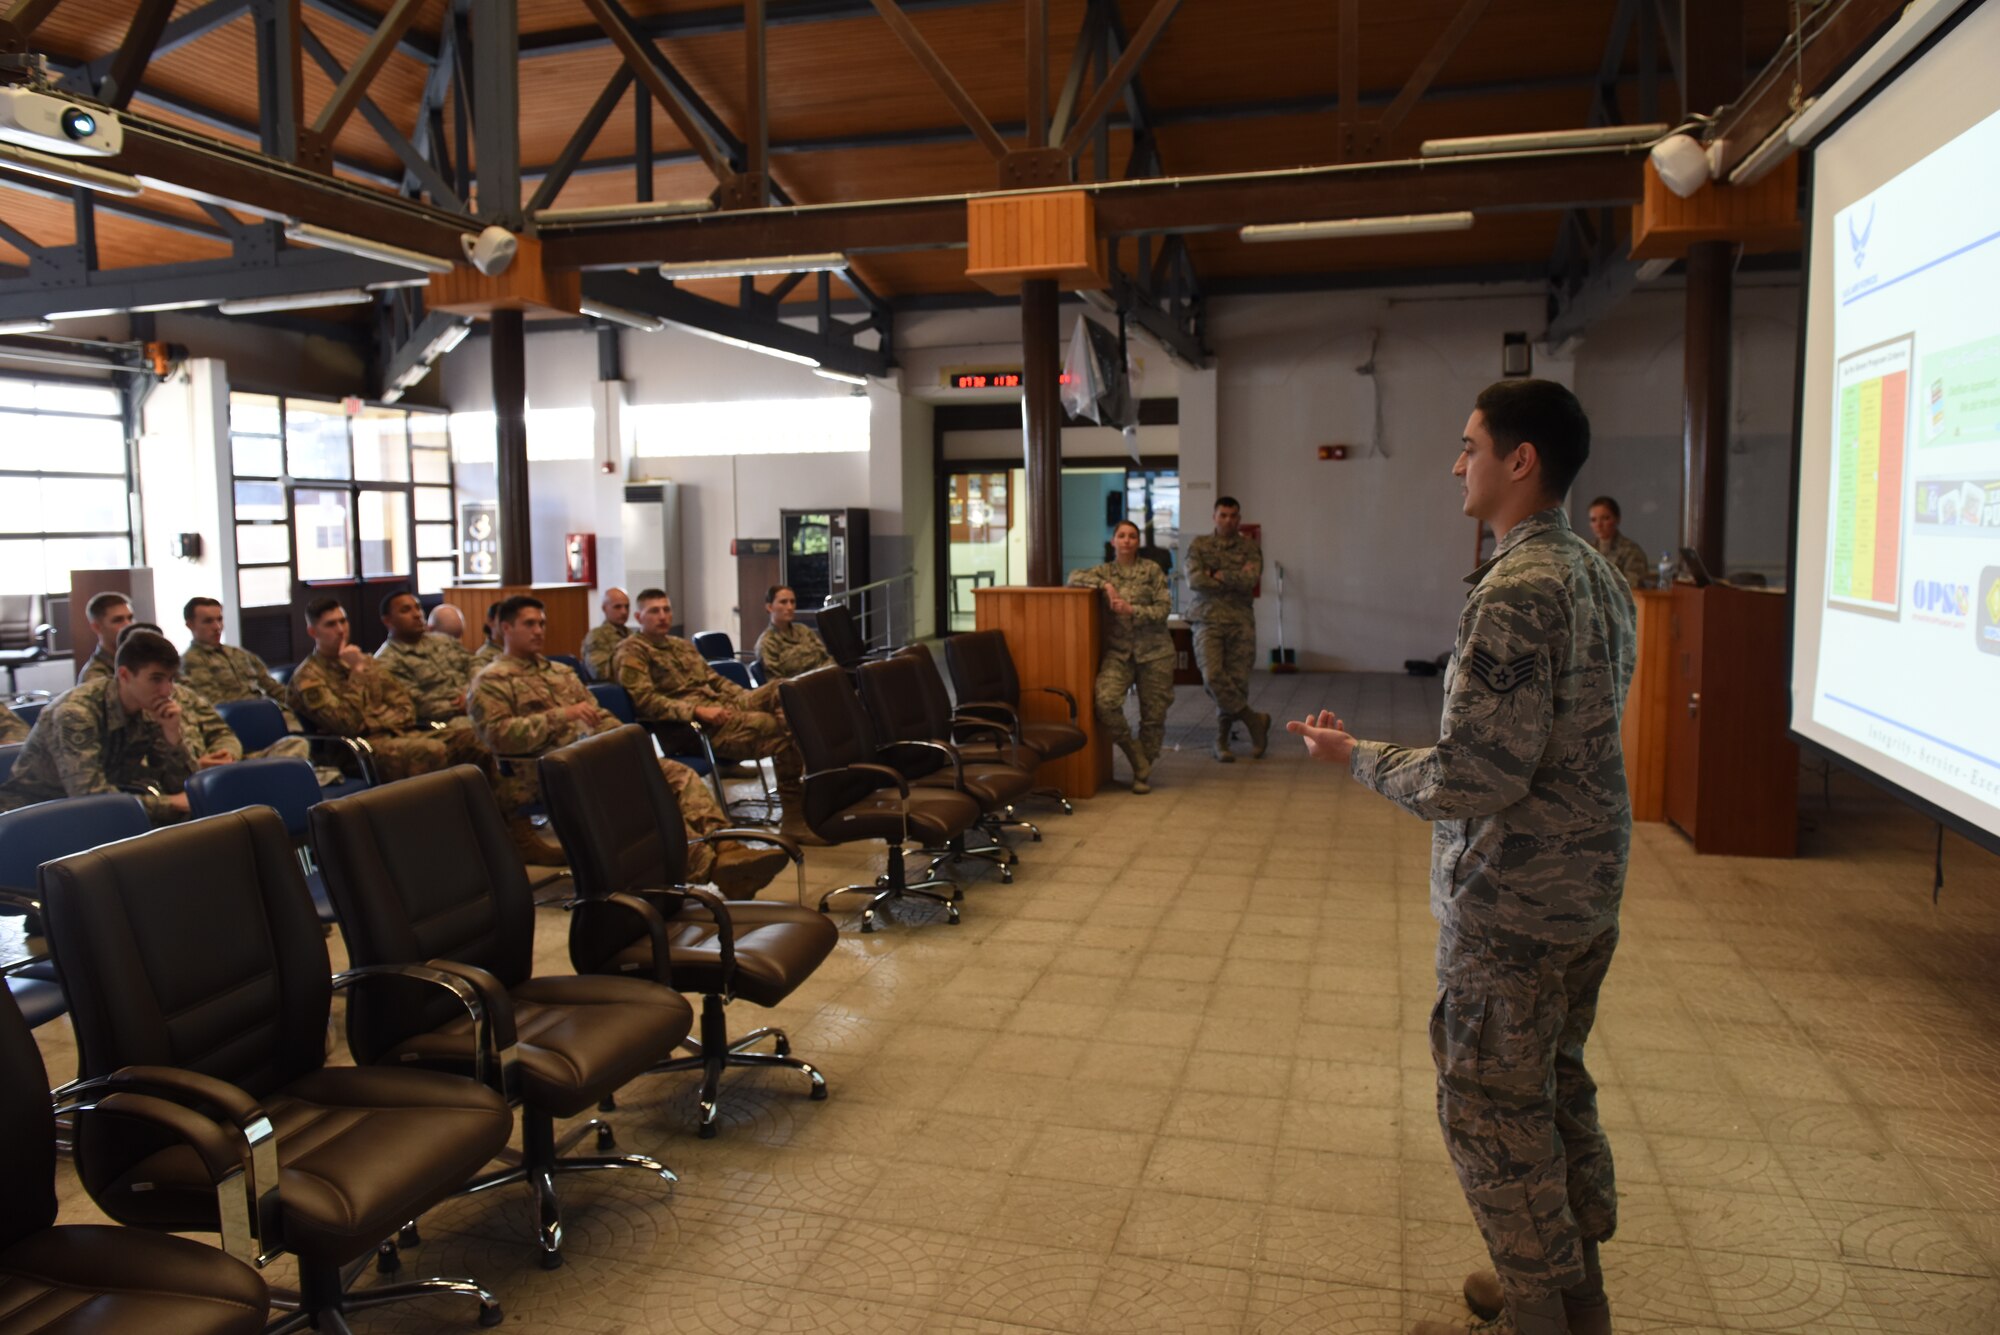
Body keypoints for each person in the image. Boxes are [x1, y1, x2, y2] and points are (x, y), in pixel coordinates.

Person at [1290, 380, 1635, 1335]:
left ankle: (1543, 1310)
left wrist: (1357, 757)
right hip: (1583, 891)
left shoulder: (1521, 588)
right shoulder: (1597, 572)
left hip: (1515, 907)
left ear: (1519, 461)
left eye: (1469, 444)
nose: (1456, 462)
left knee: (1491, 1112)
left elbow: (1475, 774)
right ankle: (1569, 1290)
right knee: (1552, 1089)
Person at [469, 595, 790, 897]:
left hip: (596, 761)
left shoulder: (561, 673)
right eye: (529, 624)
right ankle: (708, 866)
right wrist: (559, 716)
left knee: (676, 775)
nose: (538, 630)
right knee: (637, 797)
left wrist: (623, 747)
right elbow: (497, 737)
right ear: (506, 628)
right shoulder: (492, 680)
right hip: (545, 773)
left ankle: (728, 848)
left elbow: (600, 716)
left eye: (541, 623)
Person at [610, 588, 809, 839]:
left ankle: (812, 772)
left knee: (784, 689)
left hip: (721, 710)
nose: (663, 616)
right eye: (654, 611)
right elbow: (645, 702)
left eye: (667, 609)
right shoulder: (631, 651)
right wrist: (696, 710)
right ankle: (795, 816)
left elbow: (715, 680)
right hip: (689, 729)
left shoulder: (681, 645)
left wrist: (744, 698)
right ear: (638, 618)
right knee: (775, 728)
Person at [288, 595, 498, 786]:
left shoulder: (368, 662)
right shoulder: (308, 677)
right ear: (313, 632)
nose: (340, 630)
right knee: (430, 752)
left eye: (343, 621)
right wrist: (357, 673)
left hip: (399, 734)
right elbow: (348, 725)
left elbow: (405, 707)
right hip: (355, 752)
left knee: (476, 739)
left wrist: (369, 720)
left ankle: (495, 821)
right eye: (330, 624)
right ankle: (436, 825)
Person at [0, 629, 197, 824]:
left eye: (171, 679)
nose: (167, 691)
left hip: (95, 812)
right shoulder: (76, 713)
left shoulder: (149, 709)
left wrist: (172, 736)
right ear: (125, 675)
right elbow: (90, 797)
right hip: (34, 816)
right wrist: (169, 804)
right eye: (156, 679)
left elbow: (183, 787)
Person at [1068, 521, 1173, 793]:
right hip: (1120, 653)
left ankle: (1142, 774)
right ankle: (1135, 756)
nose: (1127, 541)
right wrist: (1105, 585)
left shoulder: (1152, 570)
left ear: (1138, 542)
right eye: (1121, 536)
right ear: (1113, 542)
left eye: (1132, 536)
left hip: (1155, 653)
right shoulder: (1105, 571)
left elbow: (1163, 610)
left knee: (1153, 717)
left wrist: (1131, 609)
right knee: (1105, 701)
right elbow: (1073, 577)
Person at [127, 621, 309, 766]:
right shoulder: (126, 709)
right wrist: (196, 765)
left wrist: (226, 754)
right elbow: (149, 771)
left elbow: (222, 732)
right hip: (187, 780)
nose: (166, 690)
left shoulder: (186, 696)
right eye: (156, 678)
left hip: (221, 765)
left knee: (295, 746)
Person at [1186, 496, 1271, 762]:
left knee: (1236, 681)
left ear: (1239, 518)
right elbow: (1195, 581)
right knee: (1212, 676)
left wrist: (1217, 574)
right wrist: (1230, 576)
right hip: (1207, 620)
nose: (1228, 520)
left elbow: (1250, 580)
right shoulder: (1199, 545)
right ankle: (1254, 720)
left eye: (1233, 515)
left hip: (1240, 621)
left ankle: (1221, 741)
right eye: (1223, 515)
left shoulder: (1249, 547)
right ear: (1214, 517)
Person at [179, 596, 304, 732]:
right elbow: (214, 706)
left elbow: (273, 688)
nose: (217, 627)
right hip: (236, 725)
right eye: (208, 621)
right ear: (190, 625)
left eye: (219, 619)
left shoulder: (241, 655)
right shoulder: (190, 662)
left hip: (273, 716)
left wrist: (303, 705)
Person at [374, 591, 474, 726]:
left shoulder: (444, 640)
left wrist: (474, 692)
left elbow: (475, 664)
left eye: (418, 607)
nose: (417, 614)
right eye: (406, 610)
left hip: (475, 704)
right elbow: (417, 705)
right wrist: (465, 704)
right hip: (444, 722)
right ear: (388, 621)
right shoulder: (387, 661)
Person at [754, 585, 834, 680]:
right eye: (783, 602)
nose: (790, 607)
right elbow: (777, 684)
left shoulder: (804, 630)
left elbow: (826, 658)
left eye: (792, 602)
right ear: (770, 607)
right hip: (799, 690)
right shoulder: (767, 643)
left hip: (826, 681)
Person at [1585, 496, 1650, 589]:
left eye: (1605, 518)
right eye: (1593, 520)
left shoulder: (1631, 551)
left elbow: (1633, 584)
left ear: (1617, 519)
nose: (1598, 525)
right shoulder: (1585, 549)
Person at [76, 590, 134, 685]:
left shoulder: (137, 660)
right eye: (118, 620)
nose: (128, 625)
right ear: (97, 627)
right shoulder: (95, 676)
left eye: (130, 618)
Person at [580, 586, 633, 681]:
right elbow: (599, 672)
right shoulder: (597, 635)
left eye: (627, 607)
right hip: (611, 690)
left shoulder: (631, 634)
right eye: (617, 607)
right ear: (604, 609)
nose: (624, 612)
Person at [470, 600, 505, 670]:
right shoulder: (483, 657)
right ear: (490, 621)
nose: (509, 625)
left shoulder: (520, 651)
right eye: (504, 619)